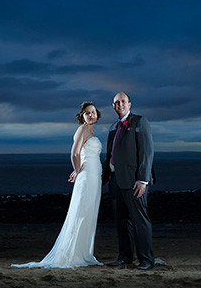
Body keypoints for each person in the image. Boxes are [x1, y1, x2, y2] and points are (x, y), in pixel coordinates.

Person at [12, 102, 104, 268]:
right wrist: (78, 171)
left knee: (89, 212)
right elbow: (74, 153)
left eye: (93, 112)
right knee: (81, 212)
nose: (91, 115)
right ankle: (72, 255)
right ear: (82, 116)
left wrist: (78, 170)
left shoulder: (91, 131)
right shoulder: (82, 130)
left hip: (95, 175)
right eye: (87, 113)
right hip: (87, 176)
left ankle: (83, 252)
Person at [102, 92, 156, 270]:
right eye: (116, 102)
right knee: (121, 221)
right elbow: (110, 154)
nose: (120, 105)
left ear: (129, 104)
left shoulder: (140, 121)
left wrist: (143, 179)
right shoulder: (113, 127)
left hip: (134, 181)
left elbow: (147, 152)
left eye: (123, 101)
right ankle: (125, 257)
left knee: (140, 221)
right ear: (113, 106)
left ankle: (146, 260)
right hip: (115, 180)